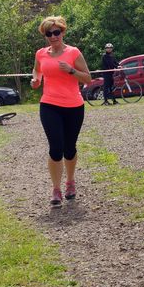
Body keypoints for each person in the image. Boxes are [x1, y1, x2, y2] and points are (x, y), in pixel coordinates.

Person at [31, 16, 92, 208]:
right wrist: (36, 80)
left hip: (73, 106)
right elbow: (37, 70)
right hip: (49, 105)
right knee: (55, 148)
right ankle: (56, 189)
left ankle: (70, 182)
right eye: (48, 33)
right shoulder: (41, 53)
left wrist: (72, 71)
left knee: (69, 148)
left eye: (56, 32)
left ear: (63, 32)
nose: (53, 36)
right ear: (45, 36)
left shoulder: (73, 52)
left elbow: (88, 79)